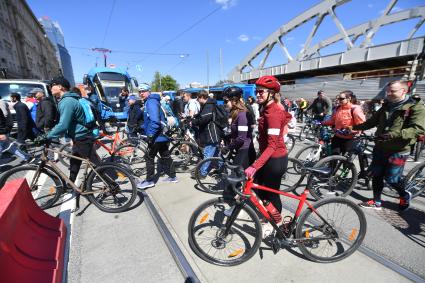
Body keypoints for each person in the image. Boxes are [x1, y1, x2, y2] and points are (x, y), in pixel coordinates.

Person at [350, 80, 425, 211]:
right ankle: (377, 201)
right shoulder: (387, 105)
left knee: (392, 180)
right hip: (380, 146)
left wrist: (393, 134)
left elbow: (418, 128)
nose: (388, 93)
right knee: (377, 175)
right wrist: (353, 127)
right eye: (387, 91)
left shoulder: (415, 106)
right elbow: (371, 122)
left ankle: (404, 195)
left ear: (404, 91)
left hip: (398, 150)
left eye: (392, 91)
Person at [244, 76, 291, 233]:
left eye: (260, 92)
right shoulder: (268, 109)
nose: (257, 94)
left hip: (275, 160)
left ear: (271, 93)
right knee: (259, 189)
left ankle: (274, 223)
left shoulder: (274, 112)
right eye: (256, 91)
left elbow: (272, 145)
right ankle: (271, 217)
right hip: (267, 157)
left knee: (270, 194)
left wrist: (254, 165)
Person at [42, 77, 101, 192]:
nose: (50, 88)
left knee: (97, 165)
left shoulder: (67, 101)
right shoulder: (69, 100)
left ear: (60, 87)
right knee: (75, 161)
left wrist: (47, 136)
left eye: (52, 85)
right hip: (79, 137)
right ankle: (70, 184)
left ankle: (112, 186)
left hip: (82, 138)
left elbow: (63, 125)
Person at [137, 83, 177, 189]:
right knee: (165, 156)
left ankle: (149, 180)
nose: (141, 93)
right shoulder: (151, 101)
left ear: (149, 91)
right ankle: (173, 177)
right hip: (162, 136)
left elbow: (155, 121)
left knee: (149, 157)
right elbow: (151, 120)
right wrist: (142, 127)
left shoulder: (150, 102)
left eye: (143, 91)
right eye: (139, 92)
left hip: (156, 136)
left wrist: (150, 135)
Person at [191, 90, 223, 178]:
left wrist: (193, 122)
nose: (197, 100)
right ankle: (221, 169)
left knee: (207, 153)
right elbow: (201, 115)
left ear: (202, 97)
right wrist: (193, 117)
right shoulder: (207, 105)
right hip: (213, 133)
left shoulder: (209, 105)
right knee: (217, 153)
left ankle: (202, 173)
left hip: (211, 134)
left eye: (198, 98)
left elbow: (203, 119)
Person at [322, 90, 366, 155]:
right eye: (338, 99)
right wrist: (322, 123)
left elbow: (362, 125)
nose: (339, 100)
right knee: (333, 158)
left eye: (341, 99)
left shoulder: (355, 109)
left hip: (350, 139)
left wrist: (351, 130)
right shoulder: (337, 108)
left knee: (346, 162)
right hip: (337, 137)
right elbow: (333, 121)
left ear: (349, 98)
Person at [0, 98, 31, 163]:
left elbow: (1, 122)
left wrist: (2, 133)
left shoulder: (2, 103)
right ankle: (27, 157)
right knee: (11, 147)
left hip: (1, 133)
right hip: (3, 132)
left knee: (9, 147)